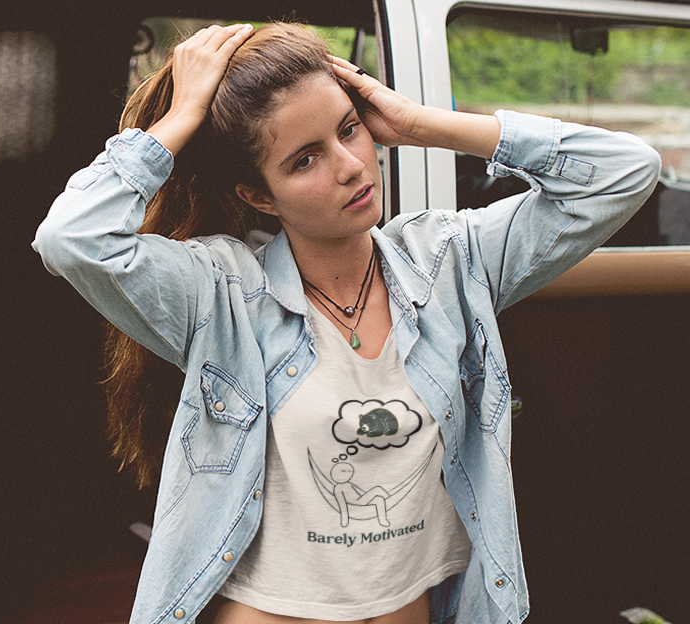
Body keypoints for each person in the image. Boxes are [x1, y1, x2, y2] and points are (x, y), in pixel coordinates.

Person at [32, 21, 659, 624]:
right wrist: (178, 120)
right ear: (257, 195)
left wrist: (420, 124)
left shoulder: (449, 263)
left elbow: (624, 172)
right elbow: (71, 238)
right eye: (305, 160)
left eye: (350, 130)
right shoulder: (222, 293)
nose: (351, 166)